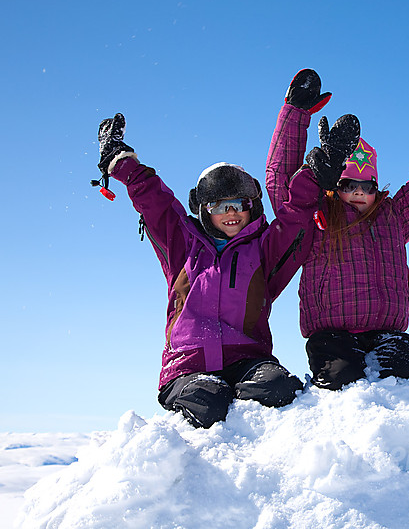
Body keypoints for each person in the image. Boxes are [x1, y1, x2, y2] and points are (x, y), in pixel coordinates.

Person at [96, 112, 313, 428]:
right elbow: (155, 202)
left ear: (251, 206)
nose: (229, 213)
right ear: (203, 209)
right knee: (208, 400)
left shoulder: (263, 248)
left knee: (278, 388)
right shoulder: (182, 244)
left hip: (247, 361)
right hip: (187, 365)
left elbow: (295, 222)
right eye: (218, 206)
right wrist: (121, 163)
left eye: (237, 204)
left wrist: (315, 175)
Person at [265, 69, 409, 390]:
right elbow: (280, 179)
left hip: (388, 333)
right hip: (331, 335)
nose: (358, 192)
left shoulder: (392, 217)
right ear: (334, 184)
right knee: (344, 383)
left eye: (366, 185)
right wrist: (295, 114)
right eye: (349, 184)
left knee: (406, 381)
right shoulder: (318, 216)